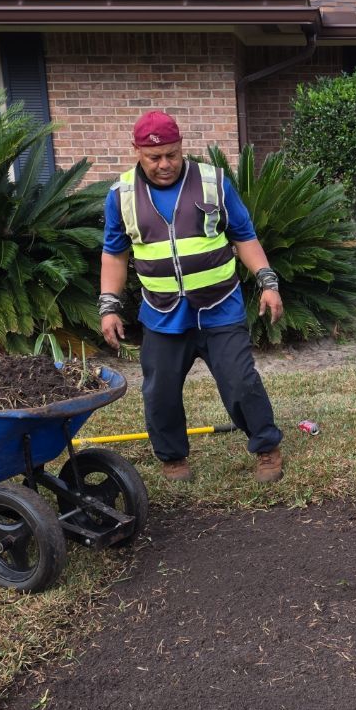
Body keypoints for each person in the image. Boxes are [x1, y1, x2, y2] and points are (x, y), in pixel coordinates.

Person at [98, 110, 285, 483]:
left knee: (240, 382)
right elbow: (114, 254)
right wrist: (109, 305)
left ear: (182, 146)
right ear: (136, 151)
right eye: (154, 157)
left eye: (171, 154)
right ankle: (173, 458)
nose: (164, 164)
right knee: (160, 391)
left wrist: (268, 281)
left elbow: (243, 236)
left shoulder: (213, 182)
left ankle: (267, 448)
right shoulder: (122, 195)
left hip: (220, 308)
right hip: (163, 314)